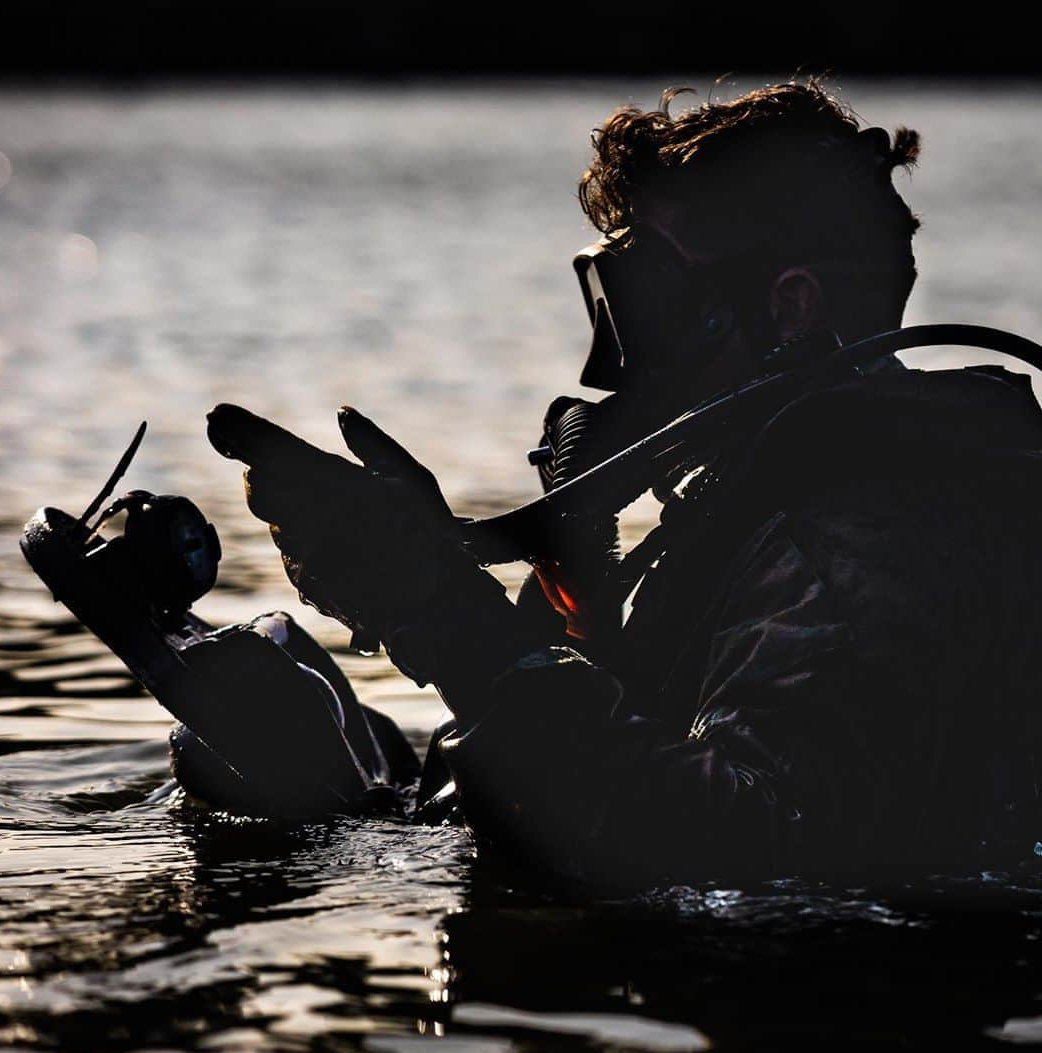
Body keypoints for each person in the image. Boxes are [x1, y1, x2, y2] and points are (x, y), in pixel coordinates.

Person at [193, 80, 1042, 891]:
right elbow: (639, 756)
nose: (614, 360)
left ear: (791, 310)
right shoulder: (787, 513)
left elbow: (752, 852)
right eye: (606, 295)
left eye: (646, 300)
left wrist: (441, 615)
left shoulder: (855, 547)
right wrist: (558, 588)